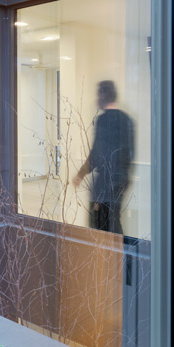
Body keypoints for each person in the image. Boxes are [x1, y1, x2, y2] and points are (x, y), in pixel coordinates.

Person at [72, 80, 134, 235]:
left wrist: (80, 174)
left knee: (99, 223)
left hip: (106, 183)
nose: (96, 99)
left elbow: (98, 153)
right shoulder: (127, 120)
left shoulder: (103, 120)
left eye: (98, 94)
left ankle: (107, 258)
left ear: (103, 95)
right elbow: (130, 154)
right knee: (113, 221)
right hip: (121, 181)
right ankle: (121, 256)